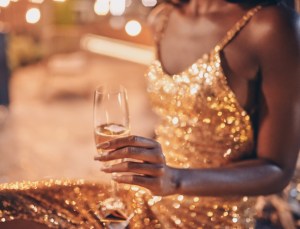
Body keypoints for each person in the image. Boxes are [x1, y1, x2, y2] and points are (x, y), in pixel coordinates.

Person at [0, 0, 299, 228]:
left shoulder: (269, 26)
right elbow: (176, 121)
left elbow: (277, 170)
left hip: (214, 218)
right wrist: (145, 162)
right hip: (147, 199)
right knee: (8, 205)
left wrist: (174, 179)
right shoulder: (164, 16)